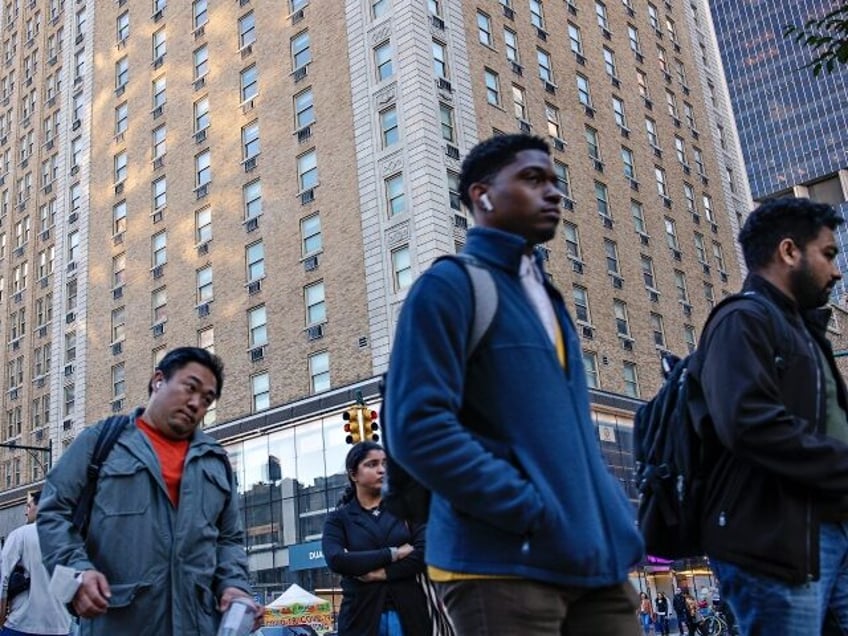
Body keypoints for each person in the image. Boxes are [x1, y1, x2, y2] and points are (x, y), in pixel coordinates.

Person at [384, 133, 644, 634]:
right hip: (500, 565)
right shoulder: (449, 286)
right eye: (532, 178)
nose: (554, 192)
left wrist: (611, 519)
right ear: (482, 196)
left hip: (594, 565)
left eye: (554, 180)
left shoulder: (547, 295)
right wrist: (524, 506)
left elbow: (568, 437)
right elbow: (416, 426)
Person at [696, 197, 848, 634]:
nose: (836, 271)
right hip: (775, 543)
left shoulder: (804, 331)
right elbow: (749, 423)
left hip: (828, 529)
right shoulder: (742, 319)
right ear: (788, 251)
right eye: (829, 254)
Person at [37, 347, 260, 635]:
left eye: (207, 399)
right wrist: (78, 571)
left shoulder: (215, 460)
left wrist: (234, 587)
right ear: (158, 380)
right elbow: (54, 511)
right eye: (190, 388)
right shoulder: (102, 441)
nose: (196, 404)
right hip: (118, 624)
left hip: (198, 625)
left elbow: (228, 539)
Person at [322, 442, 433, 635]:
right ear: (353, 474)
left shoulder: (408, 508)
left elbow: (425, 553)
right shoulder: (339, 519)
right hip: (360, 617)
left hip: (410, 614)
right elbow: (337, 559)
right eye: (372, 464)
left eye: (385, 464)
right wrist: (393, 553)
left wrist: (380, 573)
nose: (381, 470)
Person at [0, 490, 72, 635]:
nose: (26, 512)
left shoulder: (20, 535)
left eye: (29, 506)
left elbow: (3, 579)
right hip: (61, 626)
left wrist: (1, 619)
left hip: (21, 624)